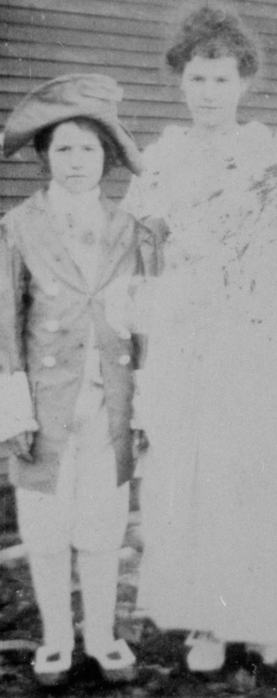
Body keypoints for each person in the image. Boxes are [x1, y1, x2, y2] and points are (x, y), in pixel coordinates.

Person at [123, 4, 277, 672]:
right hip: (186, 337)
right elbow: (140, 250)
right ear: (181, 81)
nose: (209, 92)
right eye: (198, 79)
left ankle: (265, 616)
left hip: (253, 335)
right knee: (195, 475)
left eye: (222, 79)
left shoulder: (276, 157)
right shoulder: (161, 158)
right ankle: (206, 622)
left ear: (243, 83)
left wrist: (263, 306)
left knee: (254, 470)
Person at [0, 74, 156, 686]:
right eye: (62, 148)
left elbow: (146, 321)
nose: (75, 161)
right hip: (44, 403)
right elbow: (5, 323)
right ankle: (57, 639)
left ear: (108, 158)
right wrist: (12, 408)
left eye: (88, 149)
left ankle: (102, 633)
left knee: (102, 521)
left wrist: (146, 404)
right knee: (44, 524)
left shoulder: (131, 228)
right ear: (43, 155)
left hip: (111, 400)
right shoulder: (17, 227)